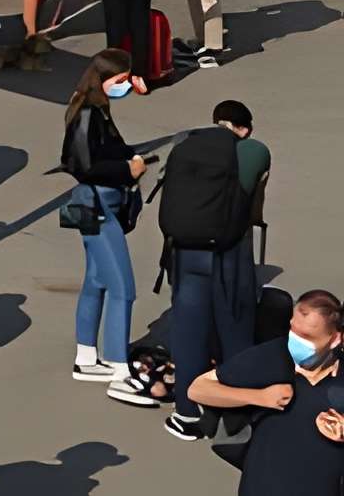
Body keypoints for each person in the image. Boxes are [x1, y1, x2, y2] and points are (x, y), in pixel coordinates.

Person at [162, 98, 269, 443]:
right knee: (235, 330)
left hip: (184, 253)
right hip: (228, 255)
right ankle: (237, 415)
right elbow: (253, 206)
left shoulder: (185, 144)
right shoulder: (253, 151)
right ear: (245, 128)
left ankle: (187, 414)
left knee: (189, 332)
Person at [59, 48, 151, 396]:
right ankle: (118, 364)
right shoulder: (88, 114)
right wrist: (127, 169)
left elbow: (110, 148)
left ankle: (86, 357)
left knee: (96, 280)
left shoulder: (94, 108)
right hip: (99, 204)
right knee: (123, 288)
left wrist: (131, 156)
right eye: (120, 80)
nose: (124, 86)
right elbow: (81, 166)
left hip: (99, 204)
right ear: (103, 80)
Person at [188, 286, 344, 486]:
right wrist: (259, 396)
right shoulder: (273, 356)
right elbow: (198, 389)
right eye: (293, 330)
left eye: (307, 337)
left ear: (335, 339)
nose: (295, 342)